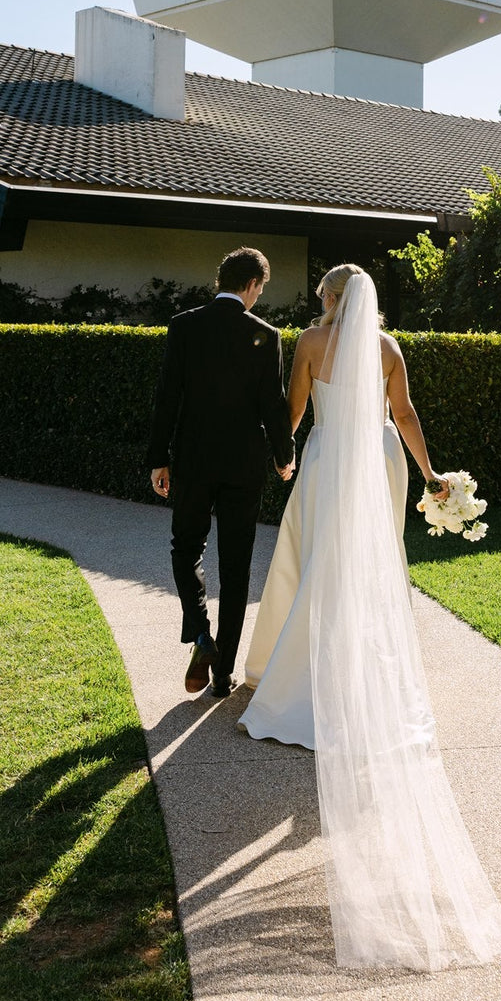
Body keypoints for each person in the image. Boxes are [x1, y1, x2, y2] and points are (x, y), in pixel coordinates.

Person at [239, 265, 501, 972]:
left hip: (333, 458)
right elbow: (406, 416)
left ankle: (301, 681)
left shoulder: (309, 341)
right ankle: (366, 674)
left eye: (322, 296)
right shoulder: (391, 348)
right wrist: (428, 474)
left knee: (319, 566)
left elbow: (296, 410)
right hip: (381, 462)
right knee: (369, 568)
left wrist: (284, 459)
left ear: (330, 299)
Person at [147, 247, 295, 698]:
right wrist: (283, 454)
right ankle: (223, 673)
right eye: (261, 288)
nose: (258, 297)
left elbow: (167, 396)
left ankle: (201, 634)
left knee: (185, 547)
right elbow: (274, 403)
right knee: (236, 565)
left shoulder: (184, 326)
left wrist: (159, 457)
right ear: (251, 283)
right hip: (244, 466)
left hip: (193, 461)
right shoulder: (266, 335)